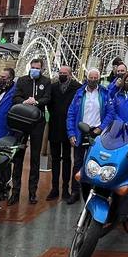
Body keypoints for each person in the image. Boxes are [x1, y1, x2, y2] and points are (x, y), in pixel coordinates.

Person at [11, 58, 51, 204]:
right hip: (22, 122)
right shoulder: (22, 80)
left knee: (35, 158)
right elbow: (16, 96)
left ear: (42, 69)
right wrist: (24, 101)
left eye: (37, 68)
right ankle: (15, 191)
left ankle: (32, 192)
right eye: (32, 67)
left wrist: (37, 102)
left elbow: (48, 98)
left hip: (37, 123)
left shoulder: (46, 82)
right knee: (18, 157)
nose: (34, 69)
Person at [68, 68, 110, 204]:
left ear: (98, 78)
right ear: (87, 78)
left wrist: (101, 128)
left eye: (95, 78)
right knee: (78, 163)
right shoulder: (79, 93)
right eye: (90, 78)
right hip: (81, 131)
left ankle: (94, 192)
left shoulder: (104, 93)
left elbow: (111, 113)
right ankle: (75, 191)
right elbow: (71, 114)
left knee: (96, 163)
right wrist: (71, 133)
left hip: (97, 133)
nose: (92, 80)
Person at [47, 65, 78, 201]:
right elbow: (49, 103)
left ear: (70, 74)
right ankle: (54, 188)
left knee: (66, 159)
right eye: (60, 73)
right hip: (55, 126)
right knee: (54, 159)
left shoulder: (77, 87)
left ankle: (66, 188)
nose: (62, 75)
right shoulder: (53, 87)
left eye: (64, 73)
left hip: (68, 129)